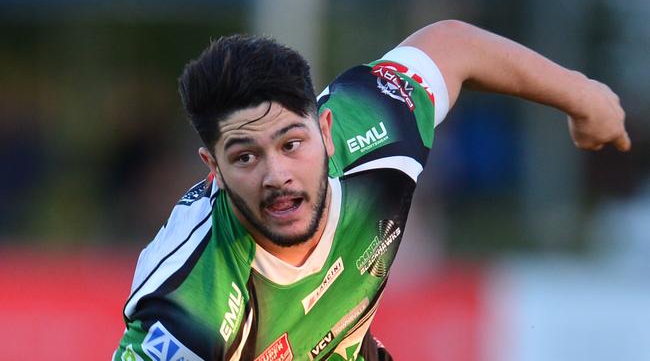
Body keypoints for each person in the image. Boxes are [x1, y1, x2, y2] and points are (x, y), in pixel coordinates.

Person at [112, 20, 630, 361]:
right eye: (245, 157)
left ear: (328, 130)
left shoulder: (375, 126)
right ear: (215, 171)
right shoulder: (188, 306)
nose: (277, 175)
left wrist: (583, 95)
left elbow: (454, 46)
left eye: (293, 143)